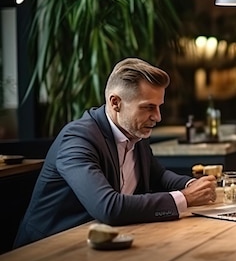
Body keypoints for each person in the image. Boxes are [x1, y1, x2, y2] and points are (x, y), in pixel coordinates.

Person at [14, 58, 217, 249]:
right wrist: (185, 198)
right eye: (148, 107)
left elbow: (159, 176)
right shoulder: (77, 139)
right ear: (115, 103)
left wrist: (194, 186)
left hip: (102, 243)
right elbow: (108, 207)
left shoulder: (135, 132)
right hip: (48, 252)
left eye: (159, 107)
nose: (157, 117)